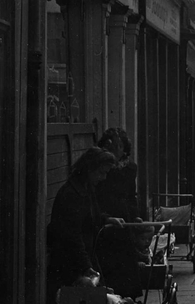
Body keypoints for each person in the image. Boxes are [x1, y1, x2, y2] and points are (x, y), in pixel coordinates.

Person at [46, 147, 125, 303]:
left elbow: (92, 216)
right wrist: (86, 266)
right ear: (90, 169)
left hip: (82, 257)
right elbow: (72, 236)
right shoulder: (71, 194)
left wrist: (108, 219)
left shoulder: (86, 189)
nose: (103, 178)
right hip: (70, 263)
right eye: (101, 173)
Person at [94, 128, 144, 299]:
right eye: (113, 145)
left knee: (125, 261)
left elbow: (131, 195)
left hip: (123, 217)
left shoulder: (130, 168)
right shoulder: (102, 166)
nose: (116, 149)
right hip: (105, 214)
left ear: (125, 149)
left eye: (120, 146)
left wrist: (135, 215)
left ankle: (127, 296)